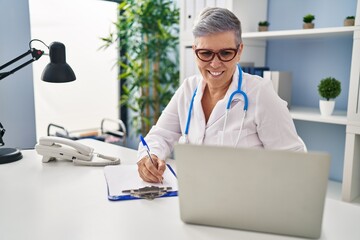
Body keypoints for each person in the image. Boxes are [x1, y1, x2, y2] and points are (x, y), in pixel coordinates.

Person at [137, 7, 305, 183]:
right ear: (195, 51)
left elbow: (293, 162)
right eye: (206, 53)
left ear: (239, 51)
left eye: (225, 53)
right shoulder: (188, 89)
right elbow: (160, 135)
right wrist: (150, 157)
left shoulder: (260, 93)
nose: (215, 63)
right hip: (192, 193)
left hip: (243, 201)